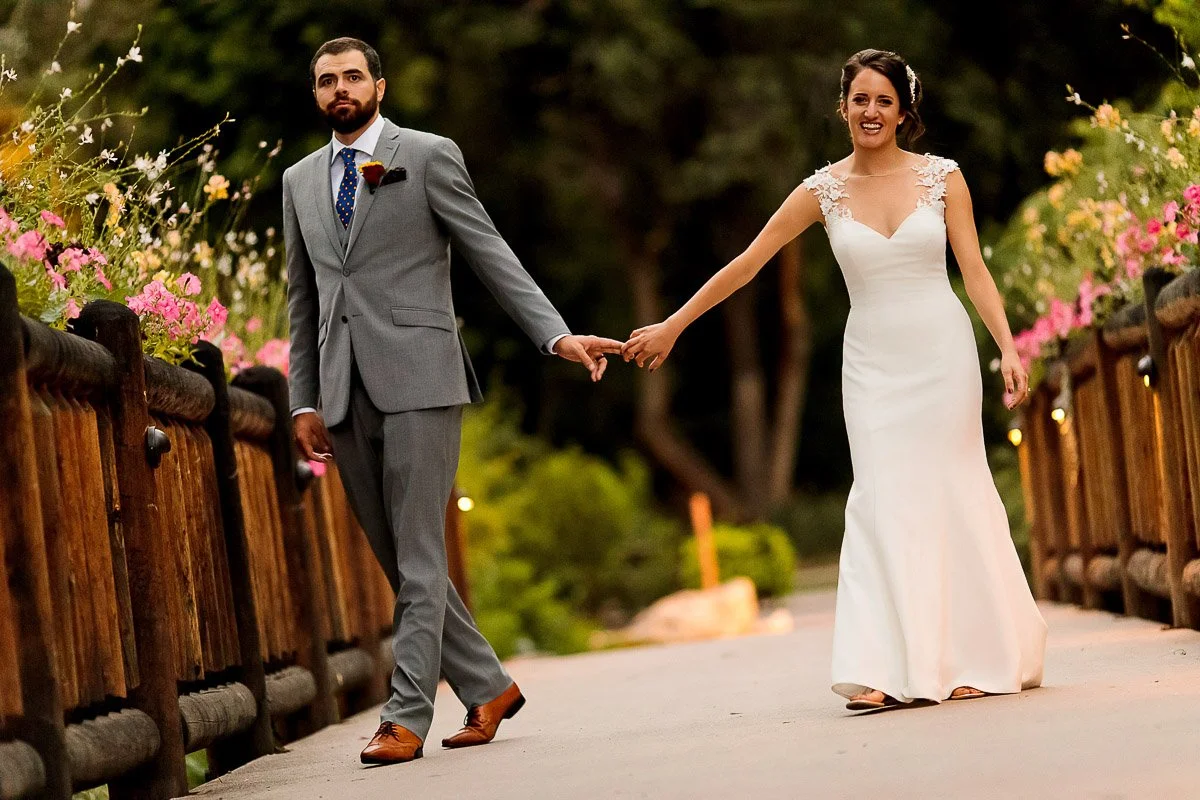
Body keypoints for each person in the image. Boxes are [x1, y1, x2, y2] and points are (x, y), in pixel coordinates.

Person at [621, 49, 1046, 711]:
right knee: (880, 497)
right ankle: (878, 665)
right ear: (843, 108)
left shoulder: (944, 178)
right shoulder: (821, 191)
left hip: (942, 354)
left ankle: (975, 656)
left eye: (883, 100)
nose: (870, 111)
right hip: (872, 363)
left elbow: (976, 273)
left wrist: (1009, 348)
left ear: (904, 112)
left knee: (951, 490)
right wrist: (673, 325)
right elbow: (747, 263)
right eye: (859, 100)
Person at [284, 37, 623, 763]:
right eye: (325, 81)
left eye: (351, 76)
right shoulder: (298, 181)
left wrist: (556, 337)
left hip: (422, 377)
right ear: (315, 95)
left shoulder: (428, 154)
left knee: (419, 552)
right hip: (342, 392)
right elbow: (302, 297)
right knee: (398, 557)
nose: (339, 89)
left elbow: (488, 249)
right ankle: (489, 686)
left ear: (379, 83)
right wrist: (302, 400)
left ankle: (405, 714)